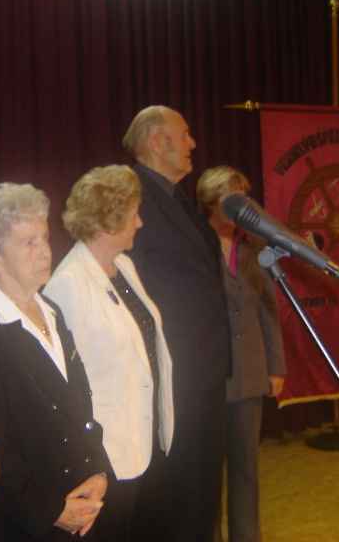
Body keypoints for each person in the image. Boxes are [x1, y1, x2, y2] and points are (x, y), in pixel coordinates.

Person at [0, 183, 112, 541]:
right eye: (29, 243)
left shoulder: (51, 310)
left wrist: (98, 472)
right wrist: (51, 509)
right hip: (23, 524)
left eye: (45, 238)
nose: (45, 251)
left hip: (79, 506)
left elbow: (80, 404)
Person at [44, 165, 174, 542]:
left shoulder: (124, 267)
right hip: (106, 456)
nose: (140, 222)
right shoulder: (67, 284)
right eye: (133, 214)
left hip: (145, 439)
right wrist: (87, 461)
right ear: (107, 221)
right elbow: (65, 387)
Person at [123, 106, 230, 542]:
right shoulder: (131, 197)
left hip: (203, 373)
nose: (193, 143)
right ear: (156, 141)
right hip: (172, 375)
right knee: (177, 498)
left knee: (202, 493)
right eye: (184, 134)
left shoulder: (177, 197)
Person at [197, 166, 286, 542]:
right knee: (207, 474)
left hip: (250, 374)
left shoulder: (255, 248)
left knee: (246, 469)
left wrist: (276, 366)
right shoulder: (195, 245)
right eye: (233, 198)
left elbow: (269, 309)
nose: (241, 207)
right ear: (212, 201)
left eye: (243, 198)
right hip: (209, 379)